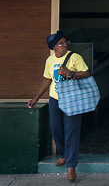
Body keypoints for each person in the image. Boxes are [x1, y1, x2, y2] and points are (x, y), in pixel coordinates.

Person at [28, 31, 91, 182]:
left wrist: (70, 73)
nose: (65, 45)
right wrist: (36, 98)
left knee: (71, 131)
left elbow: (87, 73)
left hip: (72, 99)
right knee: (55, 128)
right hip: (55, 99)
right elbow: (46, 80)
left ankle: (71, 166)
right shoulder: (50, 60)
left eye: (65, 42)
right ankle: (63, 154)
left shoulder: (74, 57)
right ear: (54, 47)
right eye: (60, 44)